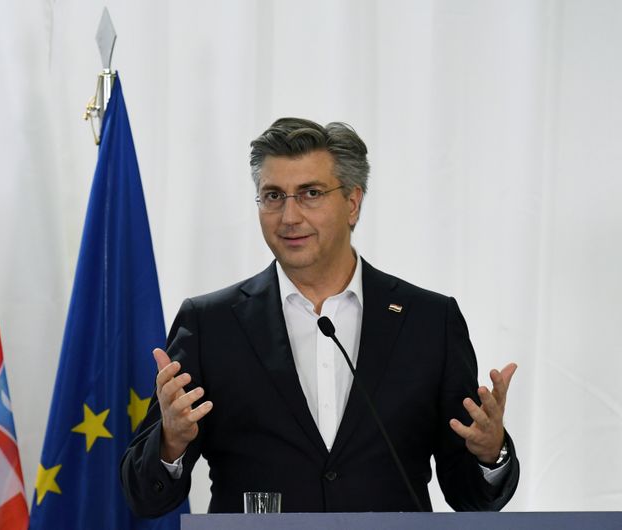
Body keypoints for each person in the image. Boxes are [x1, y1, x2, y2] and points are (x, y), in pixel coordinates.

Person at [120, 117, 520, 514]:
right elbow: (145, 496)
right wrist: (171, 442)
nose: (289, 217)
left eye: (310, 193)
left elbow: (471, 497)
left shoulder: (429, 321)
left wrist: (491, 454)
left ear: (352, 202)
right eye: (273, 196)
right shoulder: (211, 324)